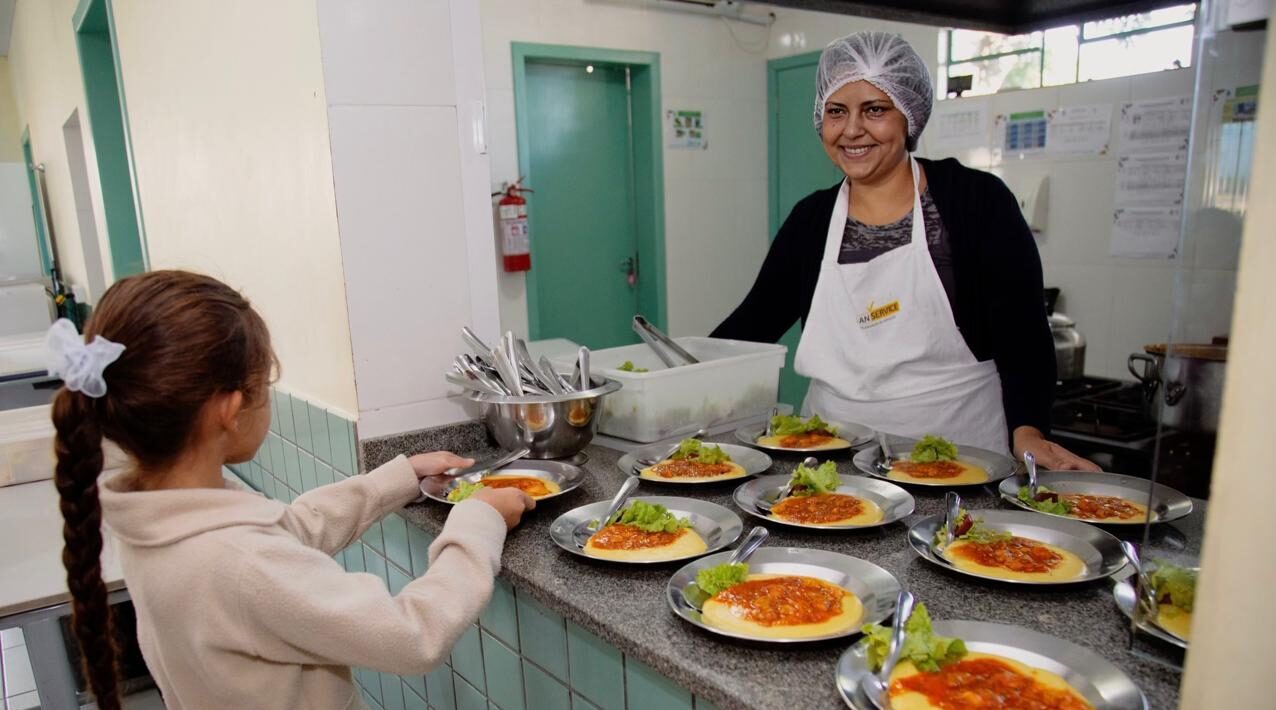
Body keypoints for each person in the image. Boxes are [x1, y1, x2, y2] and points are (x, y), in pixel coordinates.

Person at [47, 270, 534, 710]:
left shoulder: (154, 519)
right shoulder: (240, 563)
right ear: (230, 409)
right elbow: (412, 635)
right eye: (266, 383)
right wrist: (478, 520)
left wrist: (397, 477)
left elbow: (286, 533)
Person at [713, 32, 1097, 471]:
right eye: (837, 111)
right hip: (834, 458)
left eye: (875, 109)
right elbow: (751, 325)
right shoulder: (811, 219)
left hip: (959, 454)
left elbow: (1023, 333)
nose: (852, 129)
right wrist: (678, 377)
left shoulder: (975, 202)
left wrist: (1029, 429)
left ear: (908, 116)